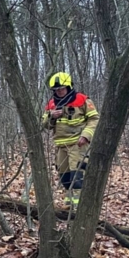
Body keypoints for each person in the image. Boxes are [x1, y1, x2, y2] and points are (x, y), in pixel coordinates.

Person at [42, 72, 100, 206]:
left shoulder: (82, 100)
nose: (59, 92)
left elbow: (94, 119)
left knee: (77, 176)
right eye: (56, 90)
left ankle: (79, 207)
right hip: (61, 146)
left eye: (62, 88)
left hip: (77, 144)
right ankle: (69, 204)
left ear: (68, 86)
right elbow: (45, 125)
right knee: (65, 176)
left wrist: (86, 135)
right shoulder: (51, 104)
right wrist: (51, 116)